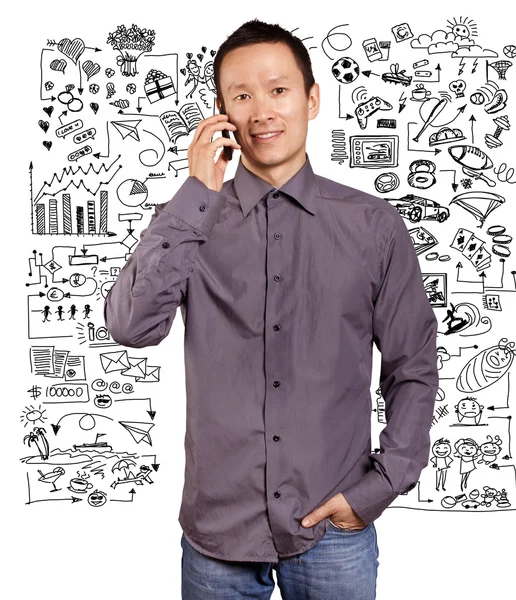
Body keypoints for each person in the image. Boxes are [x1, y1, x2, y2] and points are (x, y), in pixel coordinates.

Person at [104, 18, 439, 600]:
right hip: (217, 537)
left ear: (311, 99)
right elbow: (131, 327)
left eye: (279, 90)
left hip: (333, 530)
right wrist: (195, 194)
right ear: (221, 111)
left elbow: (411, 365)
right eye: (242, 95)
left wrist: (380, 487)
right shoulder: (188, 221)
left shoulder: (374, 227)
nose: (262, 110)